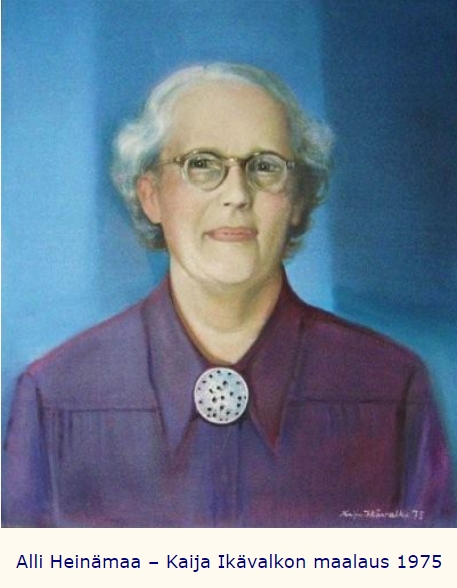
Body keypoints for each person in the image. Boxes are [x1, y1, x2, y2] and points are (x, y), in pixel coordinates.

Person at [2, 63, 454, 527]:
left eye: (265, 166)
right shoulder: (54, 395)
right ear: (151, 195)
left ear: (297, 201)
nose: (237, 194)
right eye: (201, 164)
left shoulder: (392, 388)